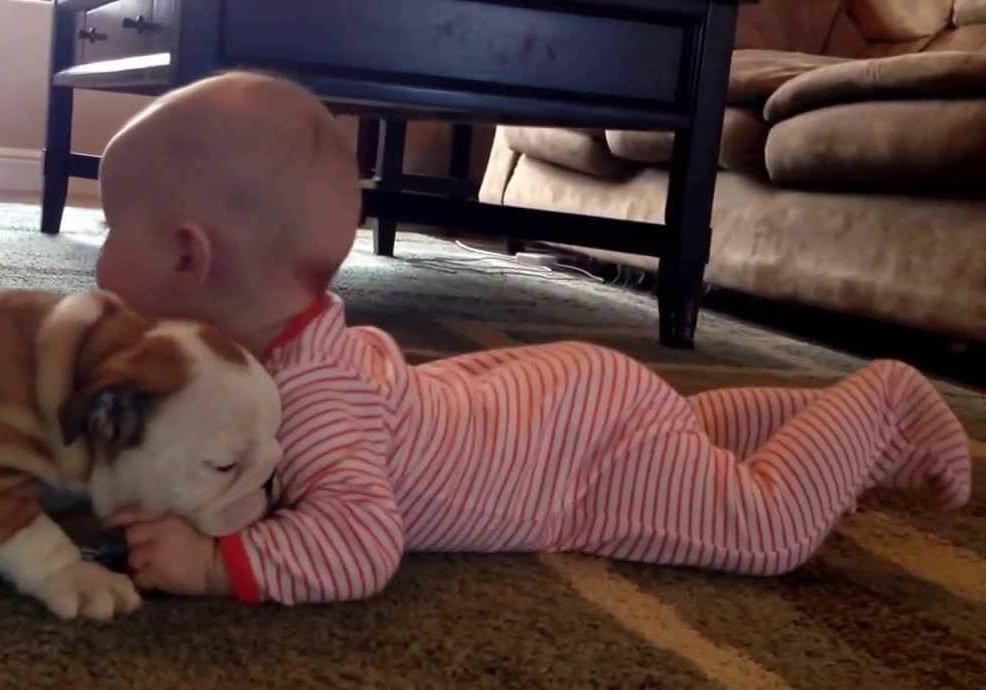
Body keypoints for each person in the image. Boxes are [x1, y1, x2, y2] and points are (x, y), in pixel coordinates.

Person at [94, 71, 973, 606]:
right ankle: (824, 424)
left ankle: (875, 401)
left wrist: (218, 564)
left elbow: (364, 543)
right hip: (567, 401)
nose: (98, 255)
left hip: (577, 466)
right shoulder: (259, 357)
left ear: (186, 255)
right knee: (688, 432)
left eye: (109, 225)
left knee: (765, 524)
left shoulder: (314, 405)